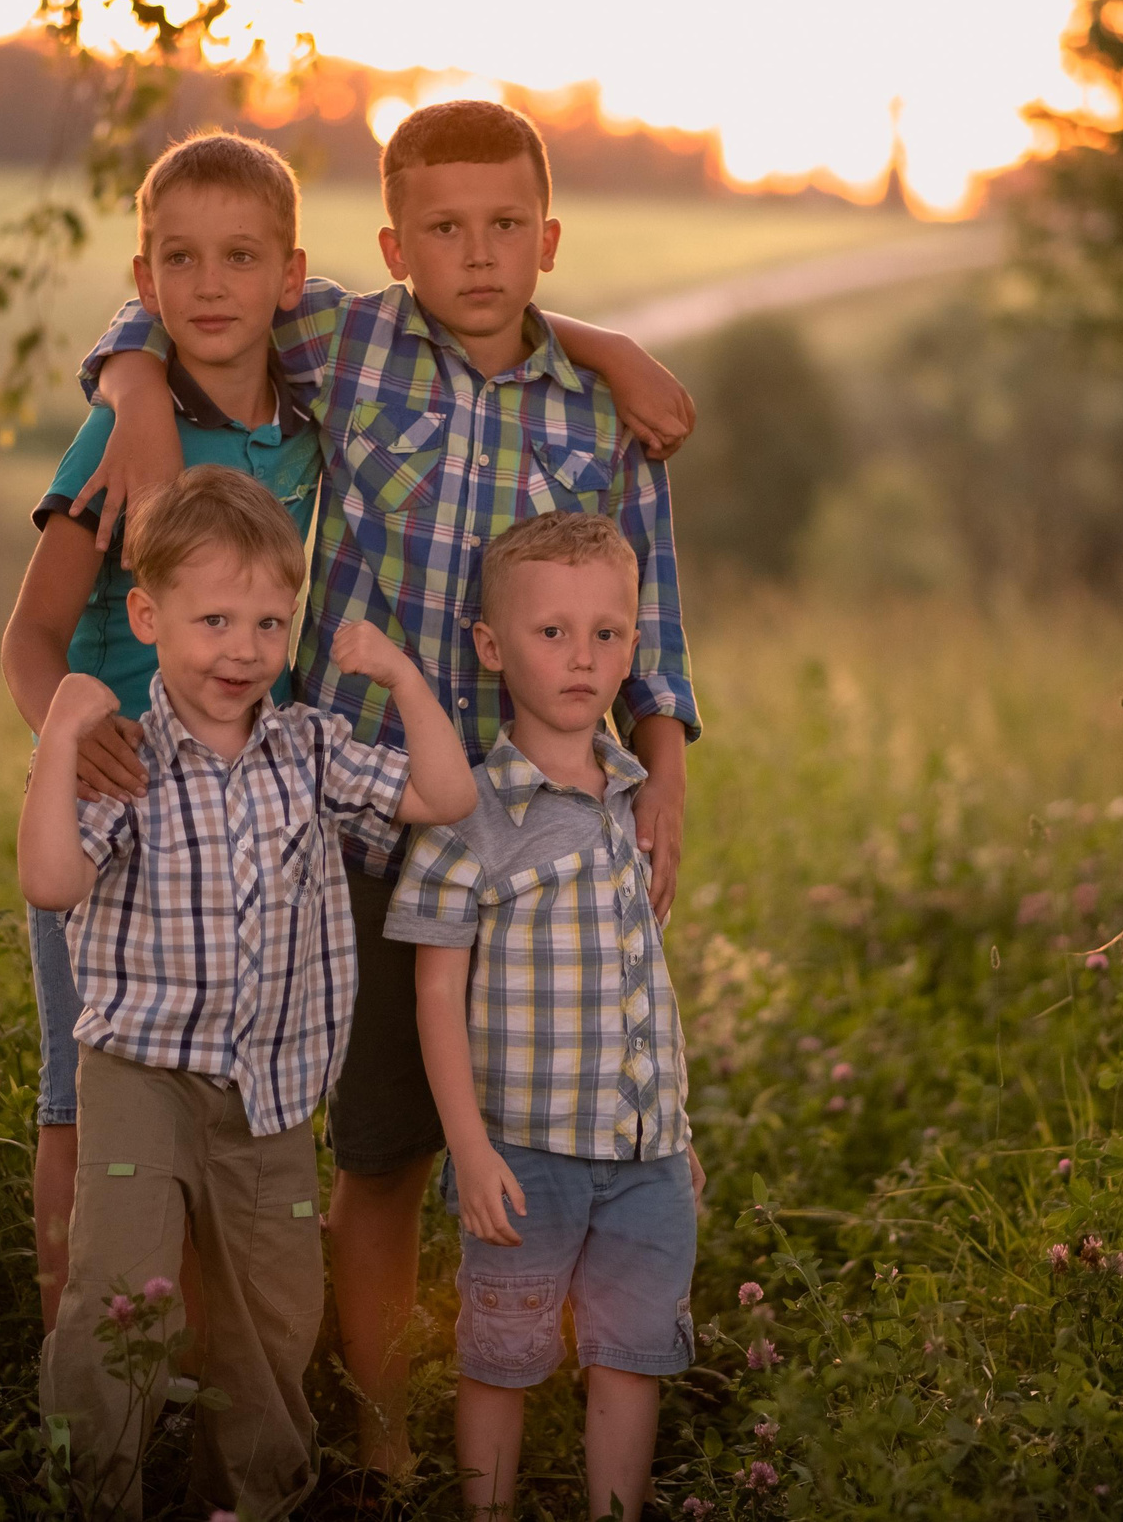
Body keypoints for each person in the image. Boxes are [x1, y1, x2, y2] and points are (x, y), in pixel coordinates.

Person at [69, 98, 701, 1474]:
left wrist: (662, 773)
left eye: (504, 227)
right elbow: (192, 301)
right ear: (394, 245)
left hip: (535, 833)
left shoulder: (598, 415)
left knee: (520, 1124)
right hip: (355, 820)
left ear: (546, 239)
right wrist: (128, 379)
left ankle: (500, 1408)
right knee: (368, 1142)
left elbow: (651, 625)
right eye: (443, 230)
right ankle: (377, 1437)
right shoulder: (349, 343)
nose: (476, 255)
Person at [17, 465, 476, 1519]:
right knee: (122, 1293)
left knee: (275, 1310)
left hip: (271, 1085)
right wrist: (61, 736)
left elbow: (443, 793)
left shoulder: (307, 747)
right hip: (140, 1073)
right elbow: (50, 881)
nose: (243, 649)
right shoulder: (128, 761)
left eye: (269, 623)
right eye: (215, 619)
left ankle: (249, 1499)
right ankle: (93, 1491)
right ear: (148, 618)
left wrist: (400, 677)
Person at [0, 131, 323, 1330]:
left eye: (240, 257)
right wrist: (65, 736)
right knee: (84, 1092)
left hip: (233, 812)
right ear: (143, 279)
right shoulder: (123, 434)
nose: (210, 284)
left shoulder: (308, 423)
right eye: (178, 259)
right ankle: (73, 1345)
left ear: (290, 278)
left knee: (209, 1092)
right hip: (115, 804)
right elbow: (30, 635)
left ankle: (181, 1348)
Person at [390, 510, 700, 1522]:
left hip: (644, 1153)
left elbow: (642, 980)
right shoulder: (467, 815)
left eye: (606, 634)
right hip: (524, 1153)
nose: (581, 657)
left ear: (632, 644)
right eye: (552, 632)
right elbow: (435, 993)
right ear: (491, 645)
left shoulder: (635, 802)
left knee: (631, 1355)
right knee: (501, 1353)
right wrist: (469, 1147)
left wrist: (674, 1127)